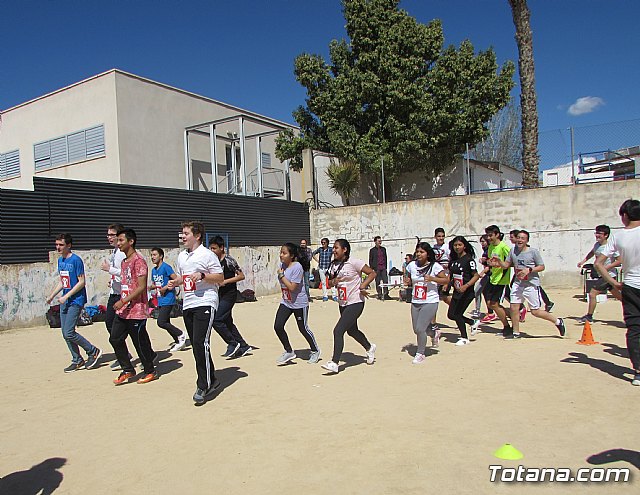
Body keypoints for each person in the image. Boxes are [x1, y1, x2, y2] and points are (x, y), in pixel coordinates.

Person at [167, 221, 224, 405]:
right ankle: (212, 378)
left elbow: (220, 278)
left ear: (197, 236)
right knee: (197, 345)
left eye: (186, 233)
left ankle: (204, 384)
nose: (182, 236)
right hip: (189, 303)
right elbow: (183, 278)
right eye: (181, 233)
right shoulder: (182, 257)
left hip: (206, 301)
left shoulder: (207, 255)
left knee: (201, 342)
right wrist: (176, 283)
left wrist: (203, 276)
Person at [595, 199, 640, 386]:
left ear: (625, 216)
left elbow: (598, 263)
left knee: (634, 328)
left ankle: (638, 371)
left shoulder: (619, 236)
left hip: (630, 285)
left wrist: (614, 282)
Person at [491, 230, 566, 339]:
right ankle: (516, 333)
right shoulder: (513, 251)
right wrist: (498, 261)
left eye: (523, 238)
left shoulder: (533, 252)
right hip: (518, 283)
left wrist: (529, 270)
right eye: (518, 238)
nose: (520, 240)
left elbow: (541, 266)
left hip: (531, 284)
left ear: (527, 241)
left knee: (535, 312)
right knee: (514, 307)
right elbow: (506, 265)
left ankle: (558, 321)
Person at [46, 233, 102, 372]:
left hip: (76, 300)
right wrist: (52, 295)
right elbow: (63, 281)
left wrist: (67, 296)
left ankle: (92, 351)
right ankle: (77, 359)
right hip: (65, 299)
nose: (58, 247)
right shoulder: (61, 261)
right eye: (57, 245)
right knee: (65, 332)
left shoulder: (76, 260)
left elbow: (81, 282)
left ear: (69, 245)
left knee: (69, 332)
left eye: (61, 245)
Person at [110, 228, 158, 385]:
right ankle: (128, 369)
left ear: (131, 241)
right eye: (117, 240)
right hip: (124, 310)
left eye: (121, 240)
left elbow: (141, 287)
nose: (118, 243)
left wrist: (123, 301)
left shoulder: (139, 261)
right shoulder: (124, 262)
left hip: (137, 310)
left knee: (139, 341)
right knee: (115, 338)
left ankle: (150, 370)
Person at [321, 239, 378, 373]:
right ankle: (370, 347)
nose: (334, 250)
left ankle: (334, 363)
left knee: (338, 330)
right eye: (333, 248)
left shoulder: (354, 262)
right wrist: (334, 281)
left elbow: (372, 273)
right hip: (343, 302)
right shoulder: (333, 264)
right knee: (352, 331)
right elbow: (331, 282)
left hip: (356, 302)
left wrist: (363, 285)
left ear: (344, 249)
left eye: (336, 248)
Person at [273, 243, 321, 365]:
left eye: (284, 253)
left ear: (292, 255)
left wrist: (281, 275)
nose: (281, 255)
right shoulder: (282, 265)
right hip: (286, 302)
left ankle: (315, 350)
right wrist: (282, 275)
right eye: (281, 252)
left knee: (303, 328)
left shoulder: (297, 267)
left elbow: (292, 287)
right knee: (278, 326)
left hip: (300, 303)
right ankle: (289, 351)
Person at [404, 242, 448, 363]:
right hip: (415, 300)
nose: (418, 254)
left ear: (428, 254)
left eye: (421, 252)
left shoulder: (435, 266)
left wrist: (433, 279)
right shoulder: (412, 265)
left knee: (420, 329)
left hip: (430, 300)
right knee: (416, 329)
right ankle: (434, 333)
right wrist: (407, 280)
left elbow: (446, 280)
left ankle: (420, 353)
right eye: (417, 251)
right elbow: (407, 274)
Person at [209, 236, 252, 358]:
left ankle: (232, 343)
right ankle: (244, 346)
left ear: (221, 248)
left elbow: (241, 276)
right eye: (210, 248)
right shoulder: (212, 261)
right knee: (227, 322)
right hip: (219, 295)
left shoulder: (229, 260)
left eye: (214, 248)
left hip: (230, 295)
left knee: (216, 320)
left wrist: (226, 281)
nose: (212, 251)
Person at [100, 223, 131, 370]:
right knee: (111, 325)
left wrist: (109, 270)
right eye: (108, 235)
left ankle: (124, 356)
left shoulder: (120, 254)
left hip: (121, 295)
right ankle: (124, 354)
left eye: (112, 235)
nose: (109, 238)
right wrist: (111, 279)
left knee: (116, 328)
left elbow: (125, 274)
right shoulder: (115, 252)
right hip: (114, 292)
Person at [577, 225, 622, 323]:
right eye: (596, 233)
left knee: (592, 294)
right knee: (621, 297)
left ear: (606, 235)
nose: (597, 235)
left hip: (608, 275)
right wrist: (583, 261)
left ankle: (589, 316)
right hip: (603, 275)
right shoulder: (597, 245)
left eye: (599, 233)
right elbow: (592, 253)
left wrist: (606, 268)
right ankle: (635, 309)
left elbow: (619, 260)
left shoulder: (611, 247)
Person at [149, 247, 187, 352]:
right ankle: (178, 340)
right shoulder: (153, 270)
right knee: (166, 321)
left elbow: (176, 279)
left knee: (161, 322)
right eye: (151, 255)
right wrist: (149, 287)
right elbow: (155, 284)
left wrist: (165, 288)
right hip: (160, 299)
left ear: (161, 256)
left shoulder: (166, 267)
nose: (152, 257)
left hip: (168, 298)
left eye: (155, 255)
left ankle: (180, 334)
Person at [447, 236, 481, 345]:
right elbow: (451, 275)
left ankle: (464, 338)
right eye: (455, 245)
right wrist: (447, 284)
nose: (457, 247)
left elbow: (476, 276)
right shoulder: (453, 260)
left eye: (459, 245)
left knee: (457, 314)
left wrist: (466, 286)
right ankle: (472, 322)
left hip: (467, 292)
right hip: (457, 291)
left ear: (464, 246)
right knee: (451, 315)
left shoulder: (468, 260)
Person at [482, 225, 512, 336]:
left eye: (491, 235)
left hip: (501, 279)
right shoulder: (490, 247)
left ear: (497, 235)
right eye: (487, 235)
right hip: (493, 278)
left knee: (494, 304)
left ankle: (507, 327)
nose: (489, 238)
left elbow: (511, 261)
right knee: (490, 303)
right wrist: (488, 262)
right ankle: (513, 315)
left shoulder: (503, 247)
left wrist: (500, 264)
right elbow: (492, 261)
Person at [472, 234, 491, 320]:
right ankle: (487, 312)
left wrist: (482, 272)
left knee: (477, 291)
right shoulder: (485, 251)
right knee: (484, 293)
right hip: (487, 275)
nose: (482, 243)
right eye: (481, 242)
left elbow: (490, 266)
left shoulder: (489, 251)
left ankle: (520, 308)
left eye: (483, 241)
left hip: (489, 275)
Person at [312, 237, 337, 302]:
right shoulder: (320, 249)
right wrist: (317, 260)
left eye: (324, 242)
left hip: (328, 268)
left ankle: (334, 295)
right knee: (323, 282)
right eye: (322, 242)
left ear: (327, 243)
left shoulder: (331, 249)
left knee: (332, 282)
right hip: (321, 267)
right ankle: (325, 296)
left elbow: (336, 253)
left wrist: (334, 261)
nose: (323, 244)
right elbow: (313, 254)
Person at [369, 236, 391, 300]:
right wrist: (372, 269)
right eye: (378, 241)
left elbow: (385, 258)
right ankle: (379, 294)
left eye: (380, 241)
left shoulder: (383, 249)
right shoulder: (372, 250)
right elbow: (370, 260)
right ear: (375, 242)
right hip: (376, 268)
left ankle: (386, 294)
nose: (380, 242)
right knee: (378, 282)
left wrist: (386, 267)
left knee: (385, 281)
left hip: (383, 267)